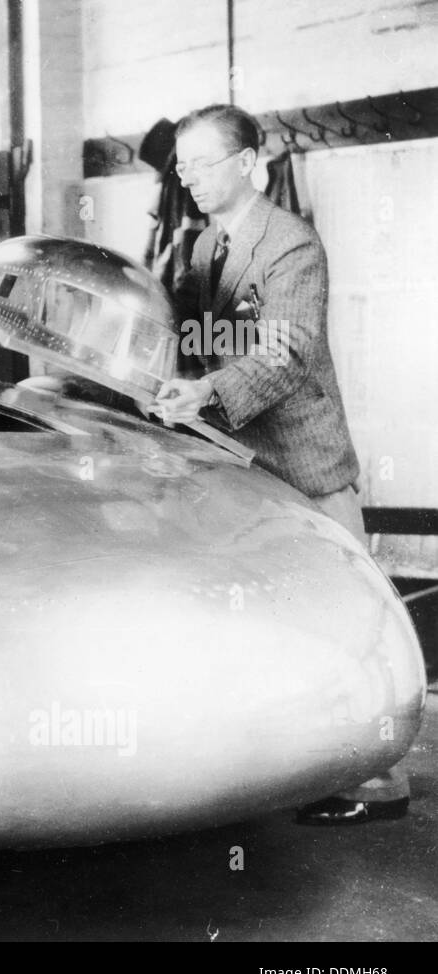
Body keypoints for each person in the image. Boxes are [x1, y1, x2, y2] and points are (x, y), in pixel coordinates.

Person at [154, 104, 408, 826]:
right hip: (236, 456)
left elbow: (285, 355)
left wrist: (206, 391)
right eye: (182, 165)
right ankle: (299, 759)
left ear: (245, 163)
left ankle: (379, 779)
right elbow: (195, 341)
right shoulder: (203, 250)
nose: (188, 177)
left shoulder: (292, 245)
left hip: (303, 459)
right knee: (274, 616)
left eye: (202, 163)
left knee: (349, 618)